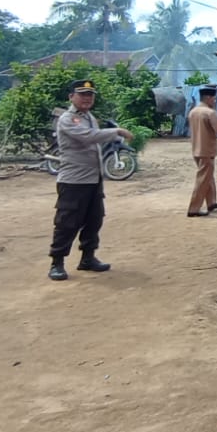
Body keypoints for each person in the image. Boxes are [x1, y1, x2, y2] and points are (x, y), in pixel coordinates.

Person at [47, 80, 133, 281]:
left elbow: (95, 137)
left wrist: (116, 138)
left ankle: (88, 258)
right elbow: (88, 137)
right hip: (74, 181)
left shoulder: (88, 117)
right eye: (82, 94)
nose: (87, 98)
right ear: (71, 97)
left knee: (94, 220)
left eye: (90, 95)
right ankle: (56, 262)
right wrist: (117, 132)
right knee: (67, 222)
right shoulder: (68, 119)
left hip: (93, 179)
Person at [186, 86, 217, 217]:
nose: (215, 101)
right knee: (203, 179)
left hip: (196, 149)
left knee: (208, 176)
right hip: (207, 149)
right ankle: (194, 209)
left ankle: (211, 202)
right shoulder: (210, 112)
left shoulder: (193, 111)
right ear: (208, 98)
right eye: (214, 98)